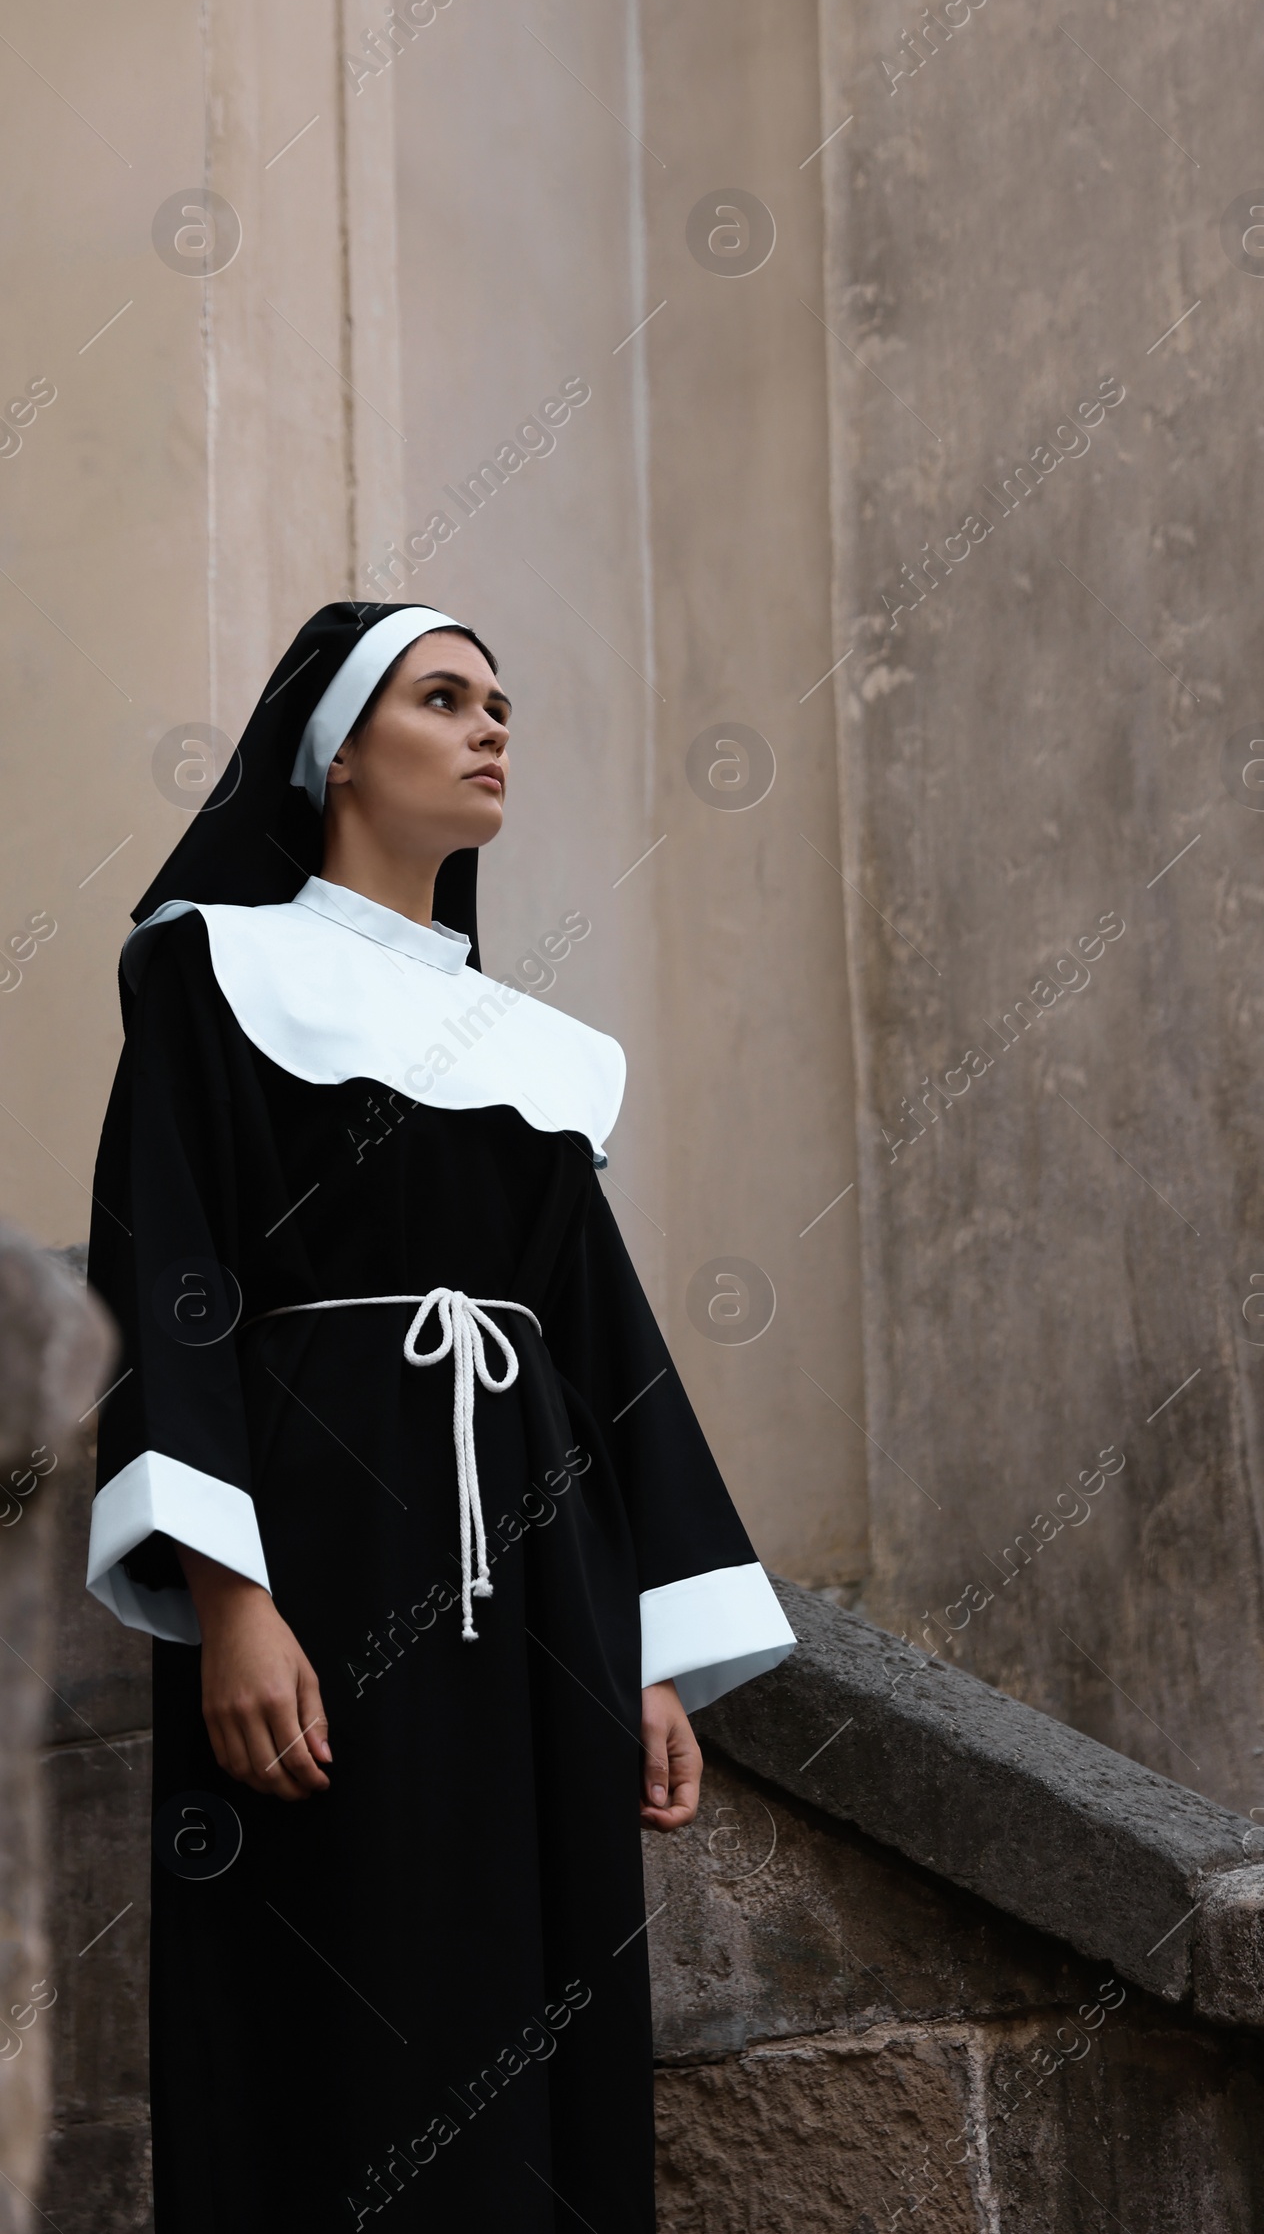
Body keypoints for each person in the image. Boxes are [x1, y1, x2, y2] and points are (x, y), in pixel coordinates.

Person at [85, 600, 795, 2231]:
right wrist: (232, 1600)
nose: (491, 731)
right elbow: (167, 1274)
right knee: (337, 1979)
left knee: (540, 1982)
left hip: (537, 1585)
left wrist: (648, 1648)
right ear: (338, 750)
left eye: (501, 706)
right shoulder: (212, 971)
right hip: (326, 1553)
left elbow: (605, 1346)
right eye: (443, 698)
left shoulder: (531, 1053)